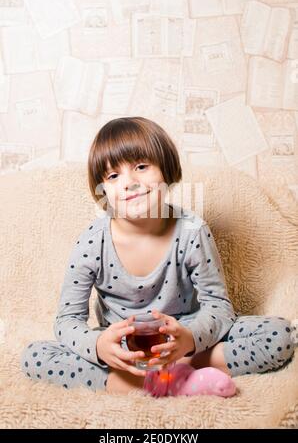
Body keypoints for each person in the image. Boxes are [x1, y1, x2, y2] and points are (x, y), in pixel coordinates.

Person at [20, 116, 295, 397]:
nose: (130, 183)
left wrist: (187, 341)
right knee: (35, 356)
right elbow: (67, 320)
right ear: (102, 190)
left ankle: (182, 368)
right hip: (123, 347)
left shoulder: (191, 231)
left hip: (185, 336)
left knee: (280, 336)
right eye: (114, 176)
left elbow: (219, 307)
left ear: (165, 169)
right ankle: (151, 381)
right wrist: (100, 345)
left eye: (141, 166)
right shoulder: (92, 241)